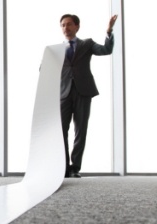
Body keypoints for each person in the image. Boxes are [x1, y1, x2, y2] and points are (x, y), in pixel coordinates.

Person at [59, 14, 118, 178]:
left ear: (77, 26)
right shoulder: (56, 50)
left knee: (80, 130)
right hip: (63, 94)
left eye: (69, 24)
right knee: (61, 131)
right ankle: (62, 168)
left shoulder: (87, 44)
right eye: (63, 25)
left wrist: (109, 31)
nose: (66, 28)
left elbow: (106, 50)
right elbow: (45, 69)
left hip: (83, 91)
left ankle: (75, 167)